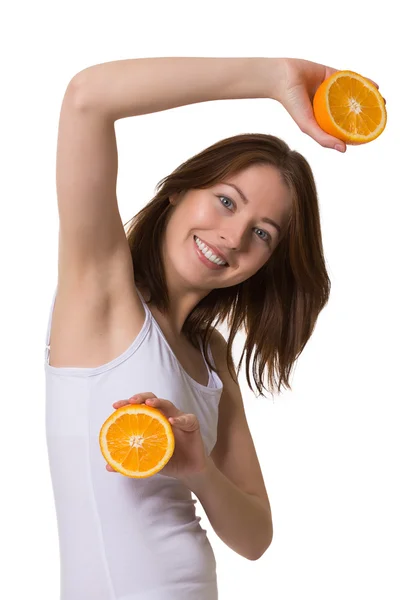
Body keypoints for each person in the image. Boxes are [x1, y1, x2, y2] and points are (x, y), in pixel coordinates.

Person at [44, 57, 379, 600]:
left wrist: (197, 470)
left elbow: (254, 536)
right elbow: (88, 97)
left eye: (262, 233)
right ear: (179, 190)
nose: (232, 237)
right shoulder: (100, 295)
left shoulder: (210, 353)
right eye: (225, 202)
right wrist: (272, 79)